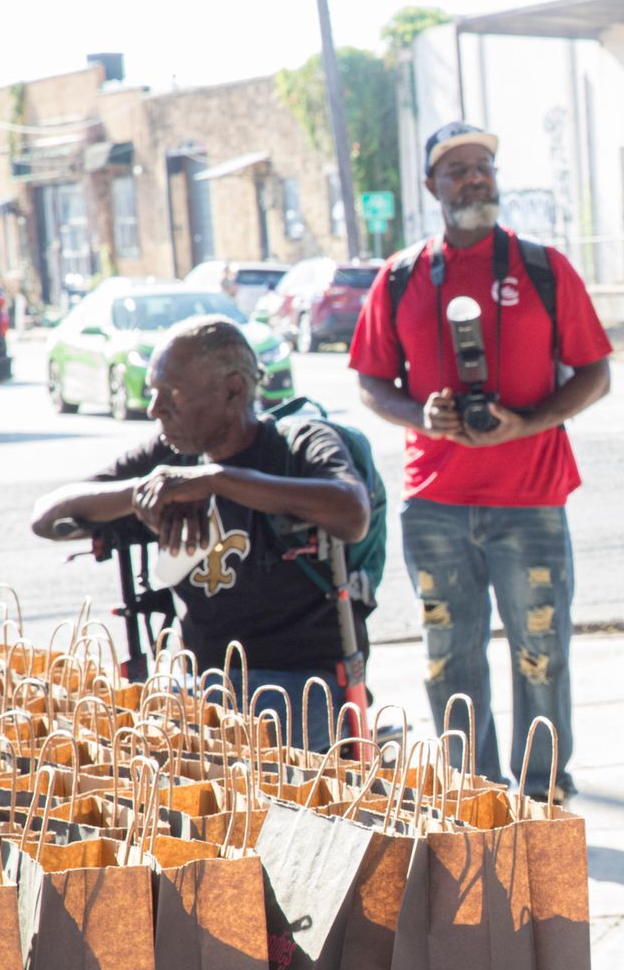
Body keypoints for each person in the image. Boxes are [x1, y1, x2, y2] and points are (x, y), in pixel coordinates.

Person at [350, 121, 613, 801]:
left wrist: (526, 422)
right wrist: (420, 416)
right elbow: (372, 380)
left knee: (541, 653)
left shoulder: (544, 268)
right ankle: (476, 792)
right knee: (449, 657)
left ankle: (543, 790)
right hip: (435, 503)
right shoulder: (403, 276)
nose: (475, 178)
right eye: (458, 168)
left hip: (530, 499)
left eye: (484, 166)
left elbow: (594, 374)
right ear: (431, 186)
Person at [30, 315, 372, 750]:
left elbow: (352, 511)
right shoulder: (170, 458)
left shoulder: (299, 442)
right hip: (203, 678)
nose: (154, 410)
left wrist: (215, 480)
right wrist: (146, 492)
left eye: (170, 394)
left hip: (297, 680)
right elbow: (46, 516)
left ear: (232, 389)